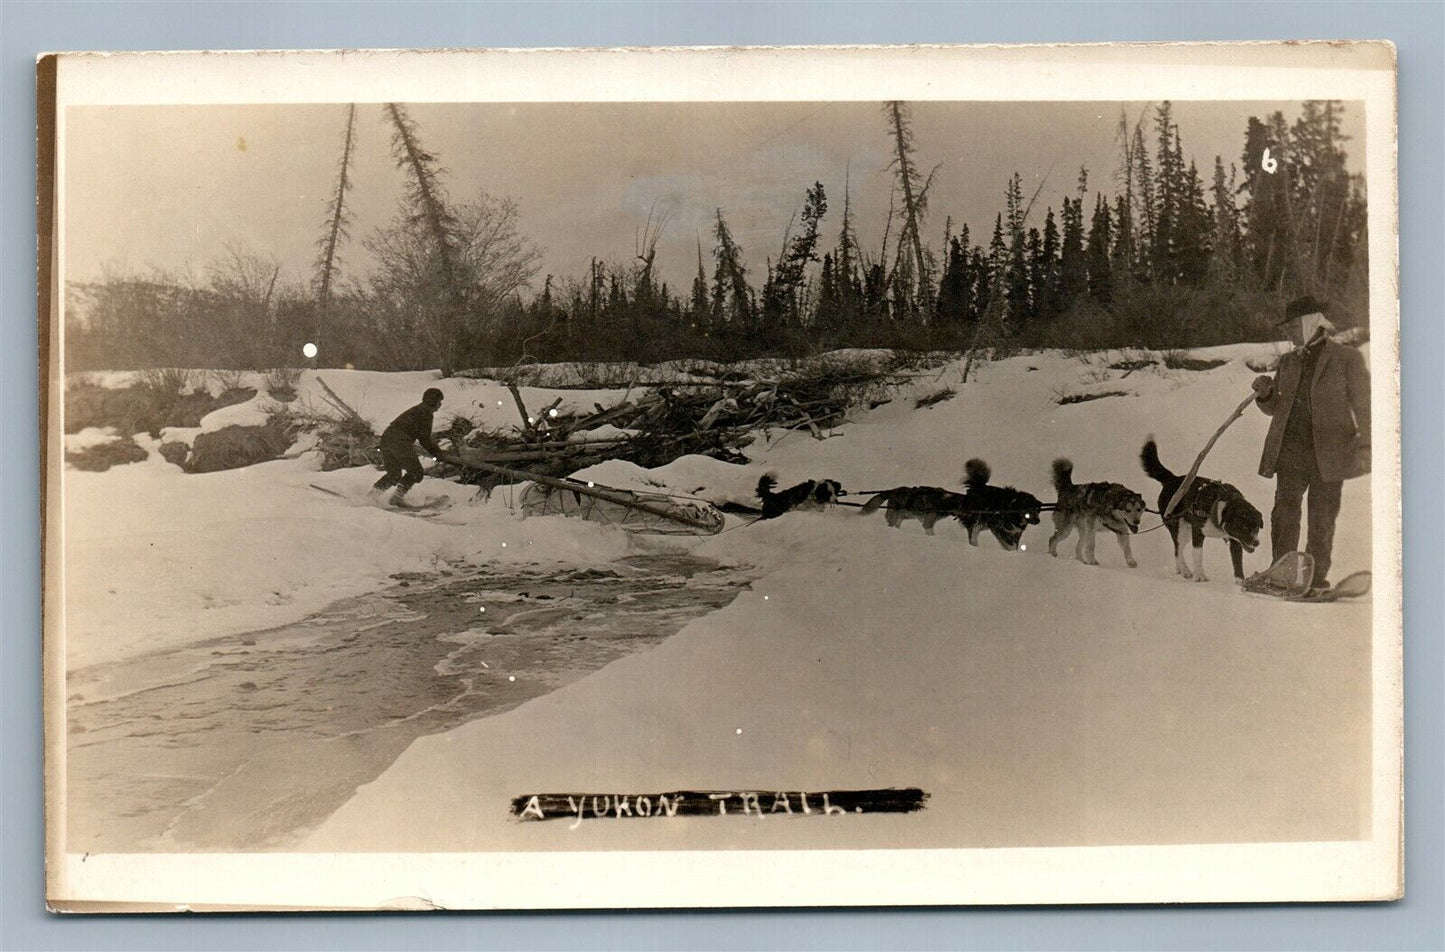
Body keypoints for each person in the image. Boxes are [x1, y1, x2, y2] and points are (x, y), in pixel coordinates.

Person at [1251, 295, 1370, 592]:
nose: (1289, 332)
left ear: (1310, 323)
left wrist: (1367, 446)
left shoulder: (1347, 359)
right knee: (1284, 512)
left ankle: (1315, 578)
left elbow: (1366, 406)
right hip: (1291, 451)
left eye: (1293, 326)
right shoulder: (1288, 361)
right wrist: (1266, 395)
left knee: (1322, 518)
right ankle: (1282, 574)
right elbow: (1277, 408)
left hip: (1330, 453)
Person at [371, 387, 456, 505]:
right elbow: (424, 439)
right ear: (432, 401)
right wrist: (437, 453)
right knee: (416, 472)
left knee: (393, 475)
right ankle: (397, 497)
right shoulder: (426, 413)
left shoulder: (417, 410)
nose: (440, 405)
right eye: (439, 401)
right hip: (400, 441)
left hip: (386, 440)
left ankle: (372, 495)